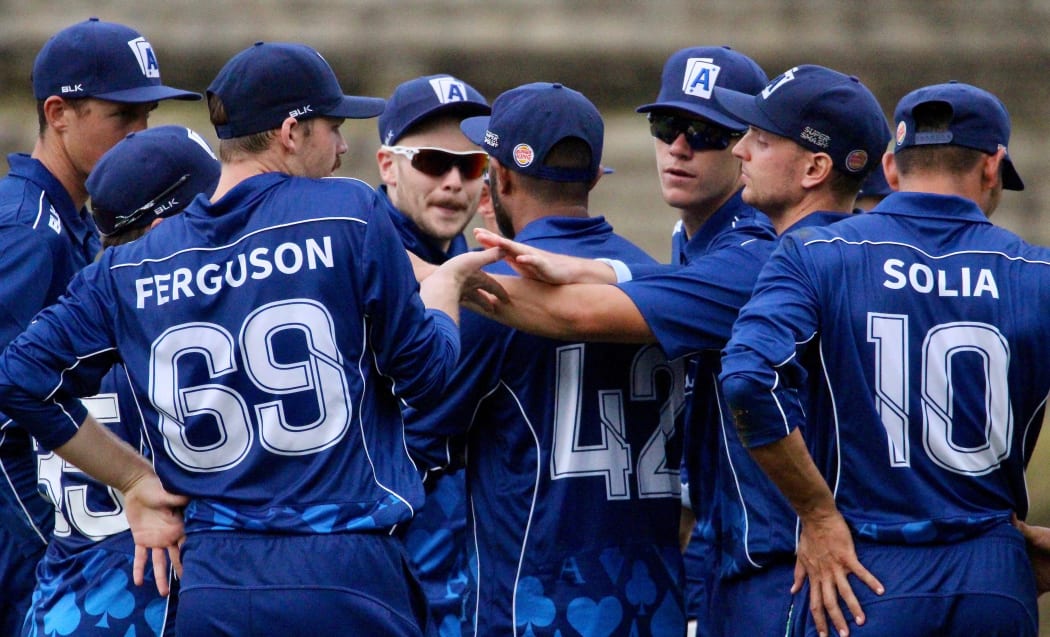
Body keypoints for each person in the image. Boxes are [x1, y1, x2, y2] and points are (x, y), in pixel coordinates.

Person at [0, 41, 501, 637]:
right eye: (333, 128)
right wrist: (444, 293)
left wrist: (134, 479)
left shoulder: (131, 264)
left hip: (210, 581)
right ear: (292, 131)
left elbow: (19, 379)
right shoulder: (348, 212)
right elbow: (429, 377)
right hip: (344, 570)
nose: (343, 148)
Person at [720, 81, 1045, 637]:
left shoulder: (819, 253)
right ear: (993, 168)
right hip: (994, 571)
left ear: (891, 167)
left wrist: (817, 516)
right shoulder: (1038, 274)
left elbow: (749, 381)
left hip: (865, 573)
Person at [408, 81, 688, 637]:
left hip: (537, 607)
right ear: (592, 179)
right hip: (655, 603)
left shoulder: (491, 294)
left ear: (500, 178)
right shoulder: (662, 286)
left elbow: (418, 441)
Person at [0, 17, 199, 633]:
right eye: (122, 118)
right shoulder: (29, 233)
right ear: (58, 113)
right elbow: (8, 415)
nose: (140, 135)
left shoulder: (72, 221)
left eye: (147, 118)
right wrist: (46, 552)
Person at [698, 64, 889, 636]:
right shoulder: (884, 259)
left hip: (801, 576)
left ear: (814, 167)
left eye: (760, 138)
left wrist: (817, 513)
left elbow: (749, 381)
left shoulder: (792, 260)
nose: (739, 151)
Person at [24, 125, 221, 637]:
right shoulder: (174, 346)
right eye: (214, 207)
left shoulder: (70, 333)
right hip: (140, 610)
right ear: (163, 228)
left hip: (58, 608)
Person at [634, 45, 768, 637]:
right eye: (667, 126)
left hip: (770, 549)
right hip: (718, 533)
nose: (678, 147)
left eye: (705, 131)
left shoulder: (756, 241)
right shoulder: (689, 234)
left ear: (747, 146)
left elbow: (590, 314)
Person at [375, 73, 490, 635]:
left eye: (469, 166)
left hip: (461, 564)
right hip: (384, 555)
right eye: (431, 162)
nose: (452, 182)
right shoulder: (351, 261)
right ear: (387, 165)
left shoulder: (470, 260)